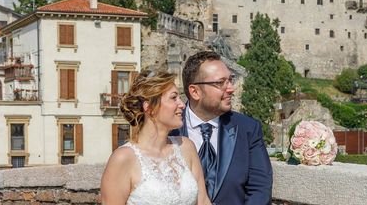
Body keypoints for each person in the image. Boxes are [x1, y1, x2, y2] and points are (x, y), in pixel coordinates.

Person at [172, 51, 273, 205]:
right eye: (221, 83)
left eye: (230, 80)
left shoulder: (248, 129)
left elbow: (260, 189)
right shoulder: (169, 129)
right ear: (195, 91)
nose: (231, 88)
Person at [101, 70, 211, 205]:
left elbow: (204, 201)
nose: (182, 104)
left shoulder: (186, 147)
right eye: (173, 98)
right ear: (150, 107)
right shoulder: (123, 158)